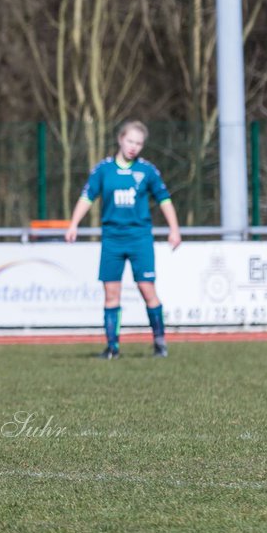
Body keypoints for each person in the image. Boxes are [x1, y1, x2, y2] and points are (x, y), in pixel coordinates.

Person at [65, 120, 182, 359]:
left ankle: (160, 343)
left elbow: (164, 199)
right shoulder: (103, 170)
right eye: (130, 141)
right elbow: (87, 197)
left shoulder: (147, 171)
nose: (133, 147)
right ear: (120, 139)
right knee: (111, 293)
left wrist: (174, 229)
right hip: (112, 240)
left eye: (139, 143)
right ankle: (112, 348)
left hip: (139, 239)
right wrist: (74, 223)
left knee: (147, 289)